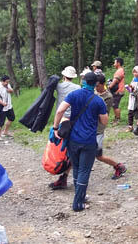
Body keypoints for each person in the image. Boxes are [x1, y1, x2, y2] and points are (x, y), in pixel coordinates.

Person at [52, 71, 108, 212]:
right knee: (84, 170)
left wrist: (55, 127)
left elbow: (60, 111)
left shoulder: (73, 95)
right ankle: (78, 203)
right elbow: (104, 121)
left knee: (76, 168)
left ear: (83, 81)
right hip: (88, 140)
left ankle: (80, 197)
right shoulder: (98, 100)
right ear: (95, 84)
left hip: (73, 139)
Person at [49, 66, 82, 190]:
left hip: (61, 120)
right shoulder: (78, 88)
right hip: (73, 121)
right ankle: (65, 174)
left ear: (64, 76)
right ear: (73, 77)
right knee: (71, 150)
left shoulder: (59, 86)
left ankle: (61, 174)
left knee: (59, 149)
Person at [94, 74, 127, 178]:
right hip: (89, 127)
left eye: (98, 85)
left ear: (103, 84)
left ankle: (118, 166)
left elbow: (104, 115)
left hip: (98, 128)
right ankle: (64, 176)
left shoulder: (108, 97)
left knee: (98, 156)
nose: (96, 87)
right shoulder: (94, 92)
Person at [0, 75, 15, 141]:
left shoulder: (7, 85)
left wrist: (9, 90)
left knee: (12, 118)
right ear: (2, 81)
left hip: (9, 106)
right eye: (6, 82)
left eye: (8, 82)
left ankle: (5, 132)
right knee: (1, 121)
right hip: (2, 107)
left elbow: (12, 91)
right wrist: (2, 103)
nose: (7, 83)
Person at [108, 57, 125, 126]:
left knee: (115, 105)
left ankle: (118, 120)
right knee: (114, 105)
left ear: (118, 63)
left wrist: (109, 87)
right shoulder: (120, 70)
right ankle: (116, 119)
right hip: (118, 90)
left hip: (118, 91)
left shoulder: (119, 70)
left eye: (115, 62)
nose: (114, 64)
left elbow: (115, 81)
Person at [125, 66, 138, 133]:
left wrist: (134, 90)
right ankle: (130, 126)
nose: (134, 73)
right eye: (134, 72)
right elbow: (132, 86)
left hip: (137, 98)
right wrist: (130, 88)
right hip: (132, 97)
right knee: (130, 112)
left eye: (136, 72)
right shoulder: (134, 79)